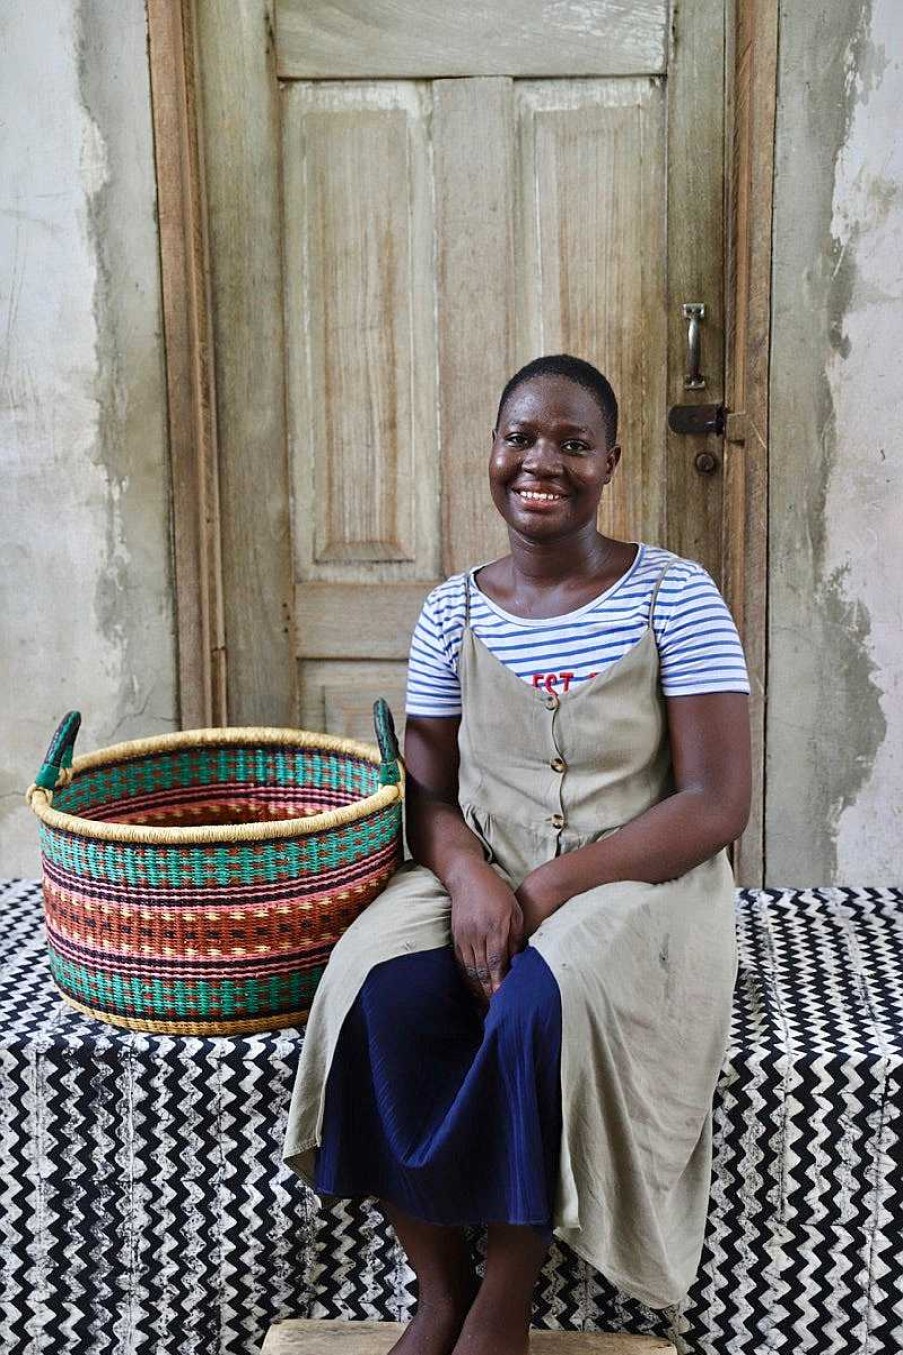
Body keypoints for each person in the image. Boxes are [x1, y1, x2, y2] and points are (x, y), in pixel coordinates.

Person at [283, 354, 751, 1355]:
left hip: (635, 876)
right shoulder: (451, 610)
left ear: (611, 461)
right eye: (521, 438)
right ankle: (437, 1285)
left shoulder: (675, 594)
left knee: (542, 1000)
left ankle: (507, 1285)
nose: (542, 462)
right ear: (492, 452)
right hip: (480, 861)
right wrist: (467, 877)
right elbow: (426, 789)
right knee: (373, 988)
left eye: (573, 443)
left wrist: (540, 890)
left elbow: (717, 801)